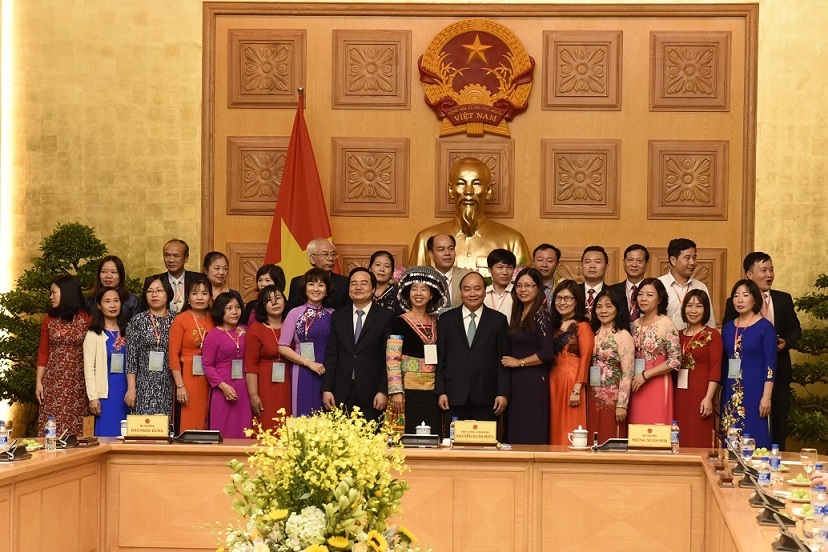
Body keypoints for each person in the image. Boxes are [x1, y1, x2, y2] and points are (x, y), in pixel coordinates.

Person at [722, 252, 801, 450]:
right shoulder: (732, 319)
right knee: (733, 430)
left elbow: (795, 329)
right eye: (763, 270)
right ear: (750, 274)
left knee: (774, 428)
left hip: (774, 374)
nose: (769, 274)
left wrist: (786, 342)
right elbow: (728, 348)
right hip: (736, 380)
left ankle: (770, 467)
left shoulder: (782, 301)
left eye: (771, 269)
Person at [409, 157, 530, 275]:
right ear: (451, 190)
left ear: (488, 191)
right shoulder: (425, 239)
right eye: (461, 184)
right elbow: (414, 287)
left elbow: (524, 288)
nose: (468, 191)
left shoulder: (513, 241)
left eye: (476, 184)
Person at [435, 272, 510, 427]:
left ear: (484, 291)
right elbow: (441, 357)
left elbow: (503, 359)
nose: (472, 294)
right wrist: (441, 391)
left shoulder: (498, 320)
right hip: (453, 394)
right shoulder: (446, 320)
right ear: (460, 292)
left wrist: (503, 393)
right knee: (454, 445)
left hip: (487, 394)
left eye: (477, 289)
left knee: (486, 446)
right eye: (467, 289)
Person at [322, 268, 395, 422]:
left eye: (364, 283)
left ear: (373, 288)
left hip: (372, 393)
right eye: (353, 284)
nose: (358, 287)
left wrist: (383, 390)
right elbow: (332, 354)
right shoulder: (338, 316)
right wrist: (327, 389)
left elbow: (388, 358)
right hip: (340, 392)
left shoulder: (386, 317)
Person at [386, 266, 449, 436]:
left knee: (432, 434)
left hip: (433, 391)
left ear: (432, 294)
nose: (418, 293)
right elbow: (392, 358)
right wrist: (396, 391)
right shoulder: (399, 322)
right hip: (407, 390)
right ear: (407, 293)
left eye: (424, 289)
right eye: (414, 289)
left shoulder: (438, 322)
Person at [500, 268, 556, 444]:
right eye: (519, 286)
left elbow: (547, 353)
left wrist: (519, 363)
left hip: (532, 380)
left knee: (528, 428)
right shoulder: (519, 313)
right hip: (516, 380)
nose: (523, 290)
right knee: (515, 427)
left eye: (529, 286)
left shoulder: (541, 315)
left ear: (538, 289)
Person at [720, 279, 777, 449]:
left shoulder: (765, 327)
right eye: (736, 296)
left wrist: (766, 397)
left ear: (755, 299)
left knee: (755, 435)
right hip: (730, 390)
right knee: (730, 435)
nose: (739, 300)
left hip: (756, 391)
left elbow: (770, 364)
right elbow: (724, 361)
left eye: (745, 295)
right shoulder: (729, 327)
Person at [36, 275, 91, 436]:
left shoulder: (86, 318)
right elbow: (43, 352)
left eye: (53, 292)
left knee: (78, 427)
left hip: (79, 382)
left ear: (66, 293)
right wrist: (39, 382)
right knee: (52, 426)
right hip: (53, 382)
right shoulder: (49, 320)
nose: (50, 297)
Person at [278, 268, 335, 416]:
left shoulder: (334, 314)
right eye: (311, 284)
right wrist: (309, 363)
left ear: (327, 289)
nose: (316, 289)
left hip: (328, 372)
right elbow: (283, 347)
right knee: (303, 415)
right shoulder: (294, 313)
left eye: (321, 285)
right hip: (302, 371)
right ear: (304, 288)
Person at [628, 278, 682, 425]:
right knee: (637, 428)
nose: (643, 298)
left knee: (655, 428)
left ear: (660, 299)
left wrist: (646, 375)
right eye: (640, 294)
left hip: (656, 382)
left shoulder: (666, 324)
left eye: (649, 295)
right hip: (636, 383)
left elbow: (675, 360)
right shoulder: (635, 324)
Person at [676, 290, 722, 448]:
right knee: (680, 433)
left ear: (705, 309)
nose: (693, 310)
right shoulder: (677, 335)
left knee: (699, 433)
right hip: (679, 393)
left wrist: (709, 397)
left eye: (698, 306)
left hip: (701, 392)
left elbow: (715, 369)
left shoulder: (712, 335)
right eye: (689, 306)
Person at [548, 280, 592, 445]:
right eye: (559, 298)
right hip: (553, 380)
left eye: (567, 298)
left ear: (576, 301)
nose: (562, 302)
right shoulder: (553, 325)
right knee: (554, 423)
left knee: (570, 423)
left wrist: (577, 388)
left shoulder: (582, 327)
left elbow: (586, 357)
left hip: (573, 380)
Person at [168, 275, 214, 432]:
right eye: (195, 293)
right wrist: (180, 386)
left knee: (207, 418)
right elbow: (173, 355)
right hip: (187, 375)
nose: (199, 297)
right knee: (188, 421)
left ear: (210, 297)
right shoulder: (181, 320)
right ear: (187, 297)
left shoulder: (215, 319)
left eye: (204, 293)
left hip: (210, 376)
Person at [202, 292, 251, 438]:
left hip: (244, 388)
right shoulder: (213, 335)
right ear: (220, 310)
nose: (235, 312)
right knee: (223, 428)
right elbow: (208, 365)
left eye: (237, 307)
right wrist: (223, 386)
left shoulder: (245, 331)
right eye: (229, 308)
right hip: (222, 388)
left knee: (243, 429)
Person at [588, 288, 634, 440]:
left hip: (613, 398)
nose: (603, 310)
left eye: (608, 306)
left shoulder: (623, 335)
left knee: (610, 438)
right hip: (592, 395)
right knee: (593, 437)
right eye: (599, 306)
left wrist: (622, 404)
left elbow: (628, 372)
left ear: (617, 309)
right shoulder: (592, 332)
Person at [126, 276, 175, 417]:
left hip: (168, 384)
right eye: (150, 291)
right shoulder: (137, 320)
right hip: (143, 385)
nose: (154, 295)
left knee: (166, 429)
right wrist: (131, 388)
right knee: (144, 430)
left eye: (159, 290)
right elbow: (131, 358)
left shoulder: (177, 320)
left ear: (168, 293)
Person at [83, 287, 129, 437]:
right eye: (107, 301)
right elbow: (89, 368)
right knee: (108, 435)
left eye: (116, 301)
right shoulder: (94, 333)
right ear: (99, 305)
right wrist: (93, 397)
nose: (113, 305)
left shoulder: (128, 331)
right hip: (106, 394)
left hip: (127, 392)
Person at [245, 285, 290, 429]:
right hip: (265, 385)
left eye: (278, 298)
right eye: (269, 300)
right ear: (262, 306)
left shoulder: (291, 325)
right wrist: (253, 395)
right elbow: (250, 366)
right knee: (268, 425)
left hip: (289, 383)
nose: (275, 303)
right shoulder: (256, 329)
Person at [658, 238, 716, 330]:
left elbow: (709, 322)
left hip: (694, 342)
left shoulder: (700, 287)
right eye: (687, 258)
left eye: (694, 258)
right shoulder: (658, 285)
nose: (692, 262)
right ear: (673, 260)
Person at [286, 238, 350, 311]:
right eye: (325, 254)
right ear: (312, 259)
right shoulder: (297, 282)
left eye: (333, 254)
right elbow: (292, 312)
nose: (331, 258)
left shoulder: (345, 282)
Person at [144, 239, 202, 314]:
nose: (171, 260)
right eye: (167, 255)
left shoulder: (198, 279)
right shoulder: (154, 282)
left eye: (176, 256)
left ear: (186, 258)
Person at [87, 255, 140, 322]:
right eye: (104, 272)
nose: (108, 276)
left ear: (121, 275)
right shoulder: (89, 300)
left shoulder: (132, 301)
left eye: (113, 272)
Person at [608, 244, 649, 328]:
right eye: (630, 260)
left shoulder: (654, 290)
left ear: (646, 263)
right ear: (624, 262)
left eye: (639, 261)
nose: (634, 264)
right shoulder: (612, 291)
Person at [424, 234, 469, 309]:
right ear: (431, 254)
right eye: (441, 249)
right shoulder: (424, 278)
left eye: (451, 249)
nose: (447, 253)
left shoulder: (467, 276)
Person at [484, 249, 516, 323]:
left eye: (509, 268)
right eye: (500, 267)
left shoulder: (518, 294)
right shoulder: (483, 294)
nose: (505, 272)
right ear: (489, 269)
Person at [581, 246, 608, 318]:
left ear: (606, 267)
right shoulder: (572, 292)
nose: (592, 266)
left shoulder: (615, 293)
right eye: (587, 262)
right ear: (581, 266)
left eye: (597, 262)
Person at [533, 243, 561, 311]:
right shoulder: (525, 288)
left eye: (549, 261)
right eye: (540, 260)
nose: (544, 265)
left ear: (557, 264)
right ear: (533, 262)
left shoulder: (562, 287)